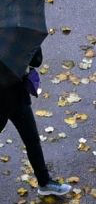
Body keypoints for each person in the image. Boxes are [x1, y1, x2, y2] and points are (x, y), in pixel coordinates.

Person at [0, 47, 72, 196]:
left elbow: (36, 60)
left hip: (18, 98)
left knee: (32, 140)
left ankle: (44, 182)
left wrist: (30, 48)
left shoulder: (16, 35)